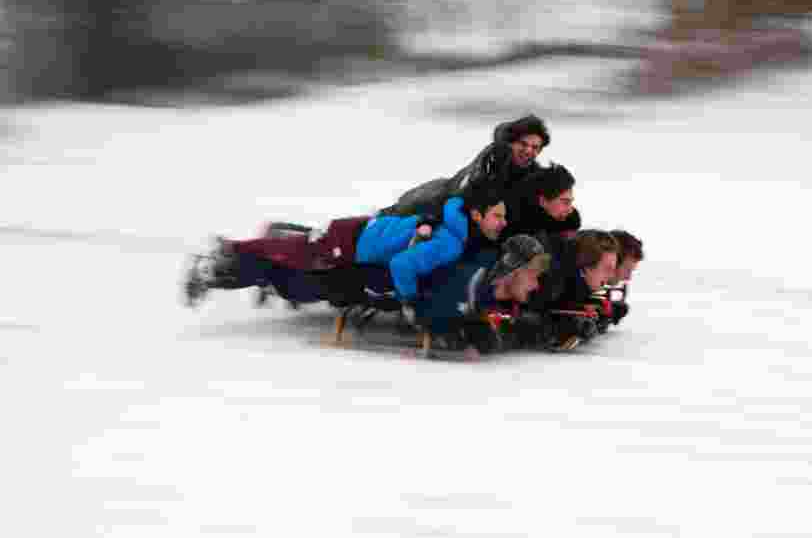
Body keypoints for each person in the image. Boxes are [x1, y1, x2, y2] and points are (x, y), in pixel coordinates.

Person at [183, 180, 508, 309]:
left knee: (296, 257)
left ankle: (263, 244)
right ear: (477, 215)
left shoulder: (454, 216)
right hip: (350, 244)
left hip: (359, 234)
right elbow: (401, 265)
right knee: (292, 258)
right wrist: (411, 301)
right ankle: (224, 257)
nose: (502, 222)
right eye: (497, 216)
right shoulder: (451, 238)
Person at [337, 234, 550, 360]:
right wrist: (460, 330)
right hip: (370, 279)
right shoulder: (468, 283)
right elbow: (421, 312)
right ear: (512, 271)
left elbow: (500, 317)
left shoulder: (496, 293)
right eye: (532, 275)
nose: (536, 284)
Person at [381, 114, 550, 217]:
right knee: (419, 203)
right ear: (510, 143)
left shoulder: (533, 171)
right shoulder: (492, 161)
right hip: (447, 196)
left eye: (535, 147)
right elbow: (464, 195)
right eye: (523, 144)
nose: (529, 151)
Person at [515, 229, 620, 351]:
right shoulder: (551, 278)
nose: (612, 276)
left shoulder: (575, 277)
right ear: (587, 265)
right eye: (607, 269)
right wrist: (555, 328)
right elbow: (519, 313)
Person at [500, 163, 581, 241]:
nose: (570, 210)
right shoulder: (509, 221)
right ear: (543, 201)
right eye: (565, 202)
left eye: (570, 202)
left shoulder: (561, 217)